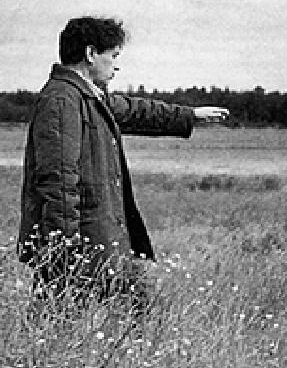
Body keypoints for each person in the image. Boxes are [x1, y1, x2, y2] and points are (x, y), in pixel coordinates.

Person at [18, 16, 229, 310]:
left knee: (134, 323)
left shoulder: (89, 97)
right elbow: (58, 181)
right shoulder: (62, 101)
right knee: (78, 329)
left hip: (103, 242)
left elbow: (136, 111)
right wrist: (63, 255)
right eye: (113, 56)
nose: (117, 66)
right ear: (91, 54)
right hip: (84, 248)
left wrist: (190, 115)